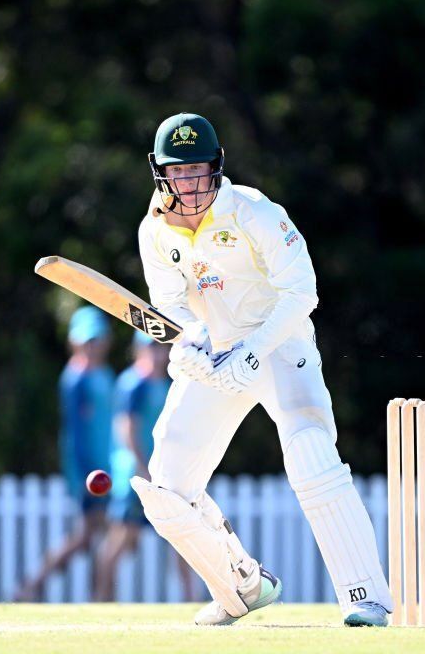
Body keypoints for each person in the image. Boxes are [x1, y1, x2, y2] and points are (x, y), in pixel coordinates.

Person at [128, 112, 393, 626]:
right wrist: (189, 346)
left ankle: (367, 597)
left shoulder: (252, 211)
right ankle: (243, 585)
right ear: (160, 173)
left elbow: (303, 291)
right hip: (216, 356)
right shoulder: (155, 230)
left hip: (279, 345)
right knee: (166, 486)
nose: (189, 182)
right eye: (177, 172)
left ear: (217, 166)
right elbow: (170, 305)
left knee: (312, 456)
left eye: (198, 169)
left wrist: (252, 351)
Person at [15, 306, 114, 601]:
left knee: (94, 535)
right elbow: (76, 433)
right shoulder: (76, 378)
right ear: (74, 342)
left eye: (96, 340)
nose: (92, 347)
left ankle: (41, 586)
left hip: (105, 464)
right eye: (87, 341)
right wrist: (84, 472)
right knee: (92, 535)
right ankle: (35, 586)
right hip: (87, 468)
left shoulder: (104, 374)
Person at [93, 332, 196, 602]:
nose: (157, 354)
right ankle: (100, 601)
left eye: (160, 348)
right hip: (137, 475)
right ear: (138, 350)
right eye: (151, 348)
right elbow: (126, 430)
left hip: (160, 474)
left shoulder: (165, 383)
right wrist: (144, 470)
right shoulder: (133, 384)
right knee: (121, 540)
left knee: (182, 538)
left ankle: (191, 599)